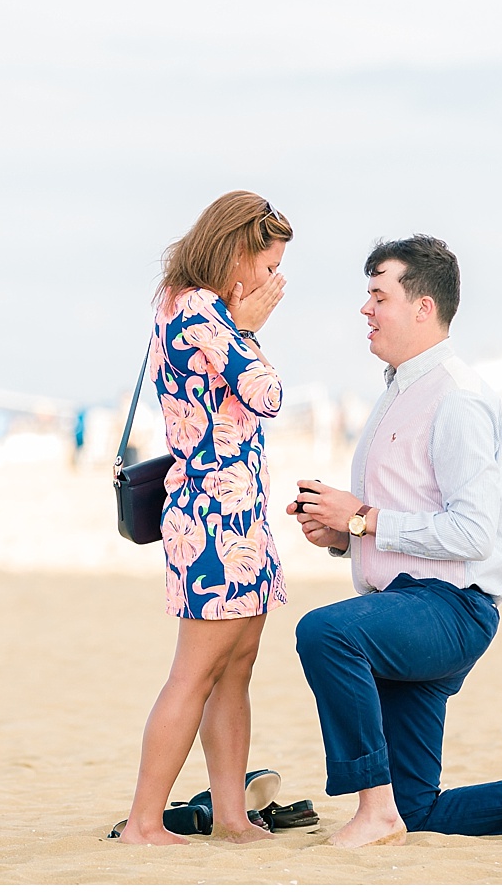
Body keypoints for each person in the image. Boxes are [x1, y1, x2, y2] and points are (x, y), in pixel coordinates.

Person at [290, 235, 502, 848]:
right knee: (418, 808)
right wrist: (339, 535)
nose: (365, 310)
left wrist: (363, 518)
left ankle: (372, 811)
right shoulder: (399, 391)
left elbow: (473, 531)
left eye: (379, 295)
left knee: (326, 632)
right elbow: (407, 516)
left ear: (424, 308)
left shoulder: (455, 396)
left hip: (448, 608)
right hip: (406, 609)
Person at [114, 192, 294, 846]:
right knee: (195, 672)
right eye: (269, 267)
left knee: (236, 667)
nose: (274, 284)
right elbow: (265, 393)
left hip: (239, 514)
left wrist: (243, 326)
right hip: (215, 518)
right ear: (236, 253)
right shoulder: (199, 311)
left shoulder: (196, 307)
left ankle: (230, 815)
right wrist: (246, 330)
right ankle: (144, 821)